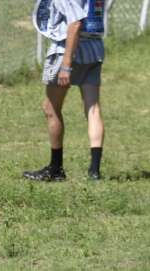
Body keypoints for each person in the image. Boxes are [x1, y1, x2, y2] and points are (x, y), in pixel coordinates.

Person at [25, 0, 105, 182]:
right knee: (93, 108)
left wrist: (66, 66)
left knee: (50, 108)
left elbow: (75, 23)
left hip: (67, 49)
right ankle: (94, 171)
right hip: (94, 47)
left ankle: (56, 168)